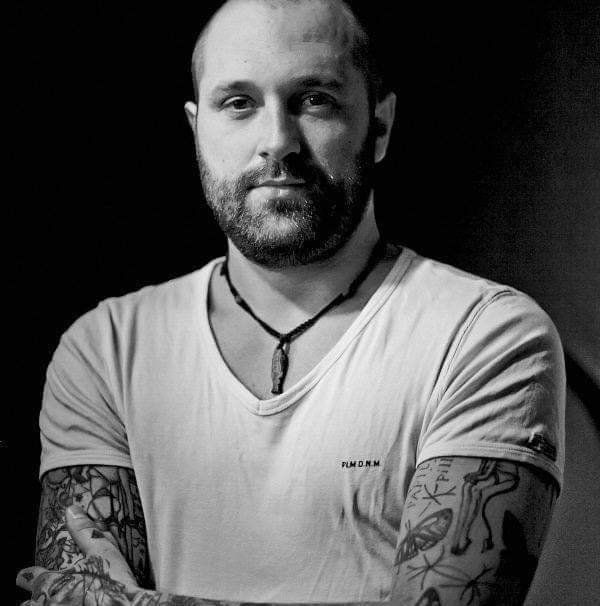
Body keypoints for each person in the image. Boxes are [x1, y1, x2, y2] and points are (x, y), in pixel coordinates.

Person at [17, 0, 565, 604]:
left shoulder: (486, 336)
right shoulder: (106, 349)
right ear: (196, 129)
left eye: (314, 100)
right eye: (239, 103)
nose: (277, 142)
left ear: (380, 126)